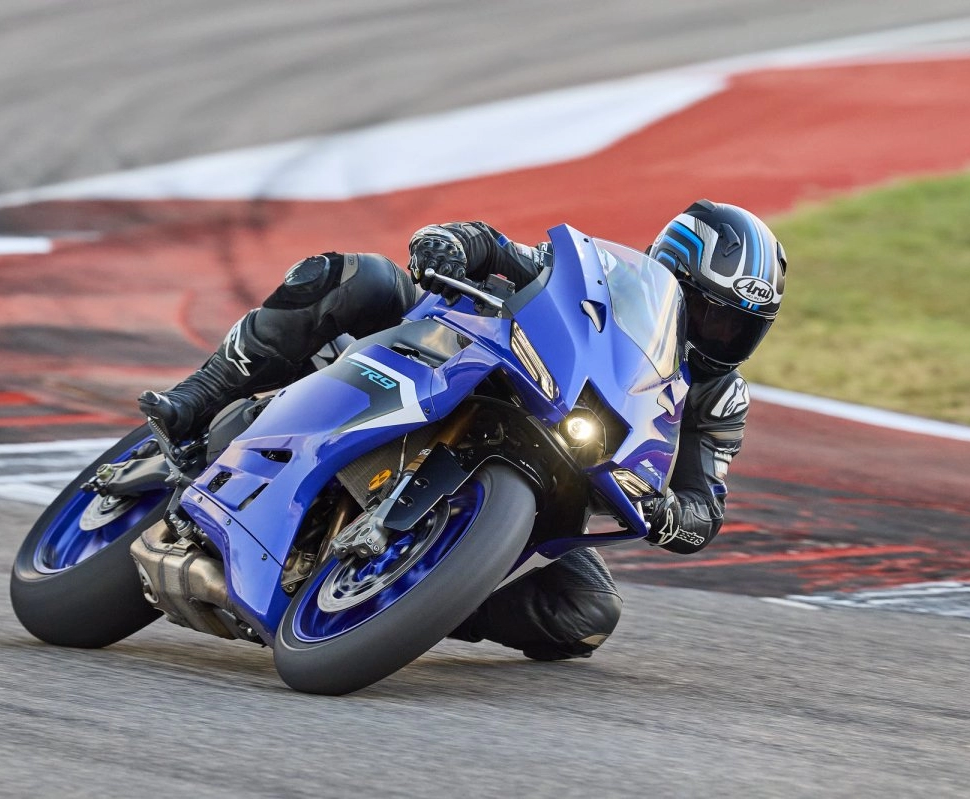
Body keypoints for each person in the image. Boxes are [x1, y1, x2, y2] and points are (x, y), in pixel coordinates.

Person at [138, 199, 787, 661]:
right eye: (708, 312)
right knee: (357, 277)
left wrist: (673, 514)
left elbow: (705, 503)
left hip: (556, 470)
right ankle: (199, 399)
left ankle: (405, 599)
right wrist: (460, 244)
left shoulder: (720, 399)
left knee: (586, 613)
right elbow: (515, 255)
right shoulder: (609, 283)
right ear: (673, 278)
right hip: (462, 364)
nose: (718, 335)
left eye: (739, 327)